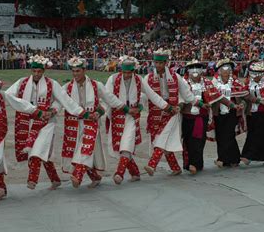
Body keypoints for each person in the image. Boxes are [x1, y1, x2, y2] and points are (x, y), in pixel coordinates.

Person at [6, 55, 87, 190]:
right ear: (31, 70)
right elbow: (8, 95)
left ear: (44, 71)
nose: (37, 74)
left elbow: (64, 99)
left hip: (46, 123)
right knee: (44, 152)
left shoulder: (52, 83)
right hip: (26, 122)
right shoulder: (21, 82)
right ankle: (55, 179)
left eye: (39, 71)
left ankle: (32, 179)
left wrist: (54, 110)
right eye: (34, 71)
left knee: (37, 151)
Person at [105, 55, 170, 184]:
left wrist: (167, 106)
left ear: (134, 71)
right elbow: (108, 97)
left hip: (132, 117)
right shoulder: (112, 79)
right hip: (117, 116)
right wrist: (124, 108)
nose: (127, 75)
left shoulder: (139, 80)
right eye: (124, 72)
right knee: (119, 146)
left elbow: (151, 95)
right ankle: (135, 172)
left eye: (129, 72)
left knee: (127, 143)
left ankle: (119, 173)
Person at [60, 57, 123, 188]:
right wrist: (51, 111)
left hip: (91, 123)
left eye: (78, 71)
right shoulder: (67, 87)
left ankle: (78, 175)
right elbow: (60, 102)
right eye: (73, 71)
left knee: (86, 147)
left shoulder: (96, 85)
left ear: (84, 70)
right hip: (74, 124)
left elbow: (109, 99)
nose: (75, 74)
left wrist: (124, 108)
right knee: (83, 150)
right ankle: (95, 177)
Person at [143, 48, 197, 176]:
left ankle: (152, 165)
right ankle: (175, 168)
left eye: (161, 63)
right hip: (156, 112)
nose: (158, 65)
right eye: (156, 63)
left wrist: (197, 103)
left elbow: (186, 93)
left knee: (162, 138)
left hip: (173, 111)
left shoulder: (175, 76)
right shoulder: (148, 78)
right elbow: (143, 95)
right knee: (162, 139)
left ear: (166, 63)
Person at [181, 60, 229, 174]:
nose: (195, 71)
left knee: (199, 140)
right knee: (188, 140)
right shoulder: (183, 83)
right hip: (188, 117)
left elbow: (218, 96)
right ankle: (189, 164)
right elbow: (180, 98)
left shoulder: (206, 83)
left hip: (202, 116)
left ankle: (196, 163)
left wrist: (231, 105)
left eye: (198, 68)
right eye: (192, 68)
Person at [211, 58, 248, 168]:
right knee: (220, 135)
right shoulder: (213, 83)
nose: (226, 71)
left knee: (229, 135)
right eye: (223, 69)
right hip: (218, 112)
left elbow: (243, 95)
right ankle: (226, 159)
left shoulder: (236, 82)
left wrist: (242, 104)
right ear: (219, 71)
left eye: (228, 68)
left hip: (232, 112)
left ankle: (229, 158)